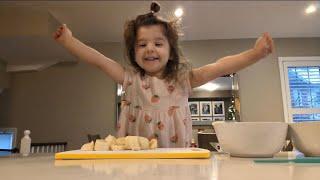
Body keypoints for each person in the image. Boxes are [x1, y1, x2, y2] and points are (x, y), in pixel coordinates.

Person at [53, 2, 274, 148]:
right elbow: (99, 60)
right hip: (134, 164)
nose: (150, 48)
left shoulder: (182, 80)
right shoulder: (130, 79)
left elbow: (220, 66)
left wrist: (254, 54)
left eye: (158, 43)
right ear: (134, 52)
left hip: (175, 162)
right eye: (142, 44)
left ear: (170, 52)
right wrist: (69, 41)